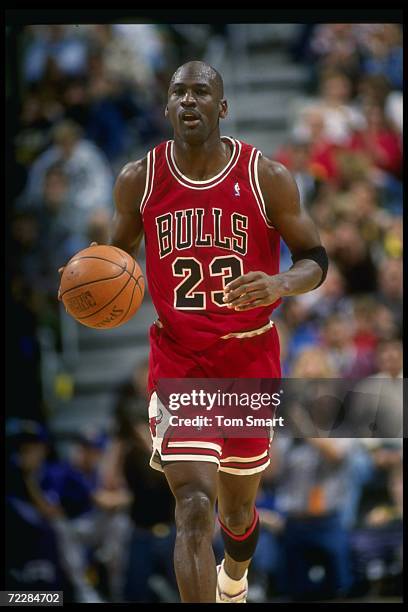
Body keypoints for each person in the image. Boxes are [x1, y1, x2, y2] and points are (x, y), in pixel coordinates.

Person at [59, 61, 328, 603]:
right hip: (180, 360)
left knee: (236, 511)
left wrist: (279, 283)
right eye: (178, 91)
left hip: (249, 358)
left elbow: (315, 259)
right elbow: (116, 261)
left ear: (221, 107)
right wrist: (88, 281)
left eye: (200, 91)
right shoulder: (139, 179)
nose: (188, 100)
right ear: (166, 108)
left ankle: (235, 578)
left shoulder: (266, 176)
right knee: (193, 507)